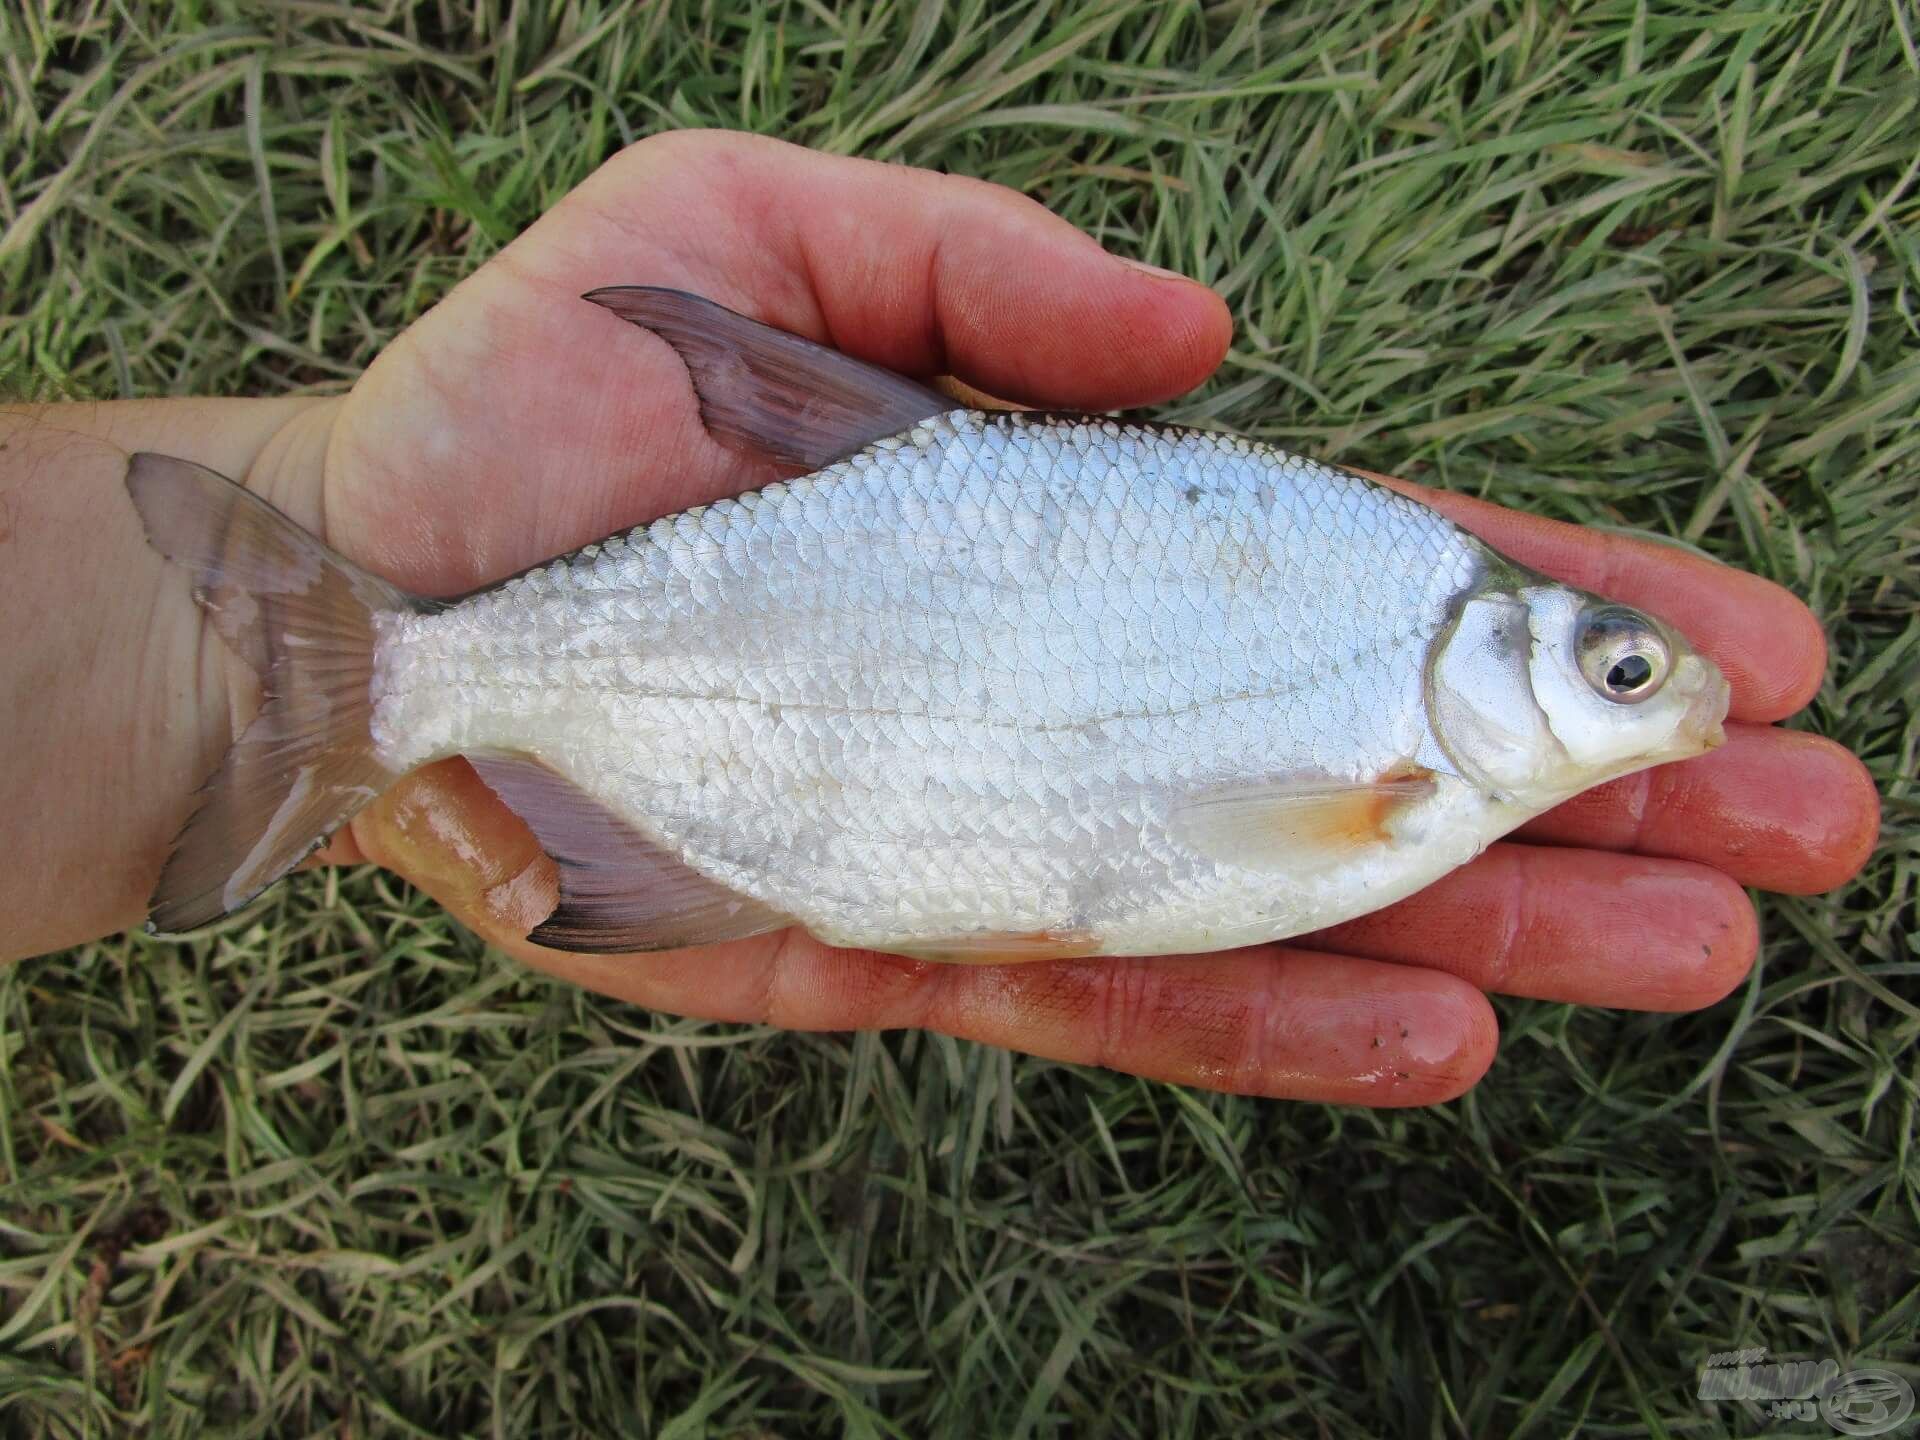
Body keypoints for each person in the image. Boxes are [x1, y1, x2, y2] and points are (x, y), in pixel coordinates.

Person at [0, 131, 1878, 1105]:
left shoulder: (1402, 692)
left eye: (1621, 673)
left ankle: (351, 675)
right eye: (1615, 670)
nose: (1644, 695)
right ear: (1486, 655)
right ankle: (382, 678)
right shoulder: (1404, 730)